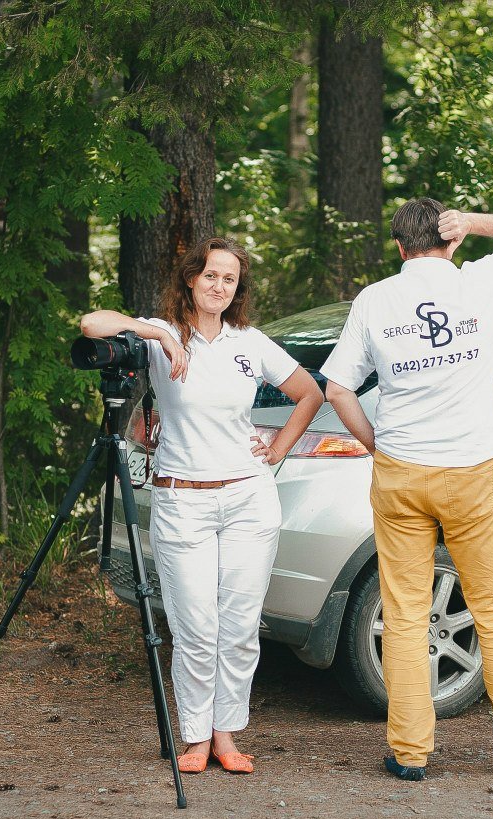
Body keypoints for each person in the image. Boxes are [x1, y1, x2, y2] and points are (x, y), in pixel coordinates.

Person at [321, 198, 493, 781]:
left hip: (401, 471)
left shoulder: (374, 300)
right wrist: (474, 222)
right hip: (472, 470)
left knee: (403, 613)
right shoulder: (480, 282)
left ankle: (409, 753)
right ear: (450, 242)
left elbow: (336, 390)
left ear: (398, 246)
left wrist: (375, 441)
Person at [80, 236, 322, 775]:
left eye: (229, 279)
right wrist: (155, 335)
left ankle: (226, 735)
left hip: (247, 499)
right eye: (211, 275)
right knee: (194, 625)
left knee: (238, 626)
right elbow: (91, 326)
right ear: (192, 278)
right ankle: (193, 738)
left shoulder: (250, 342)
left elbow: (311, 393)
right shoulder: (162, 334)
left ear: (238, 289)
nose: (219, 286)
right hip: (181, 500)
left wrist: (276, 450)